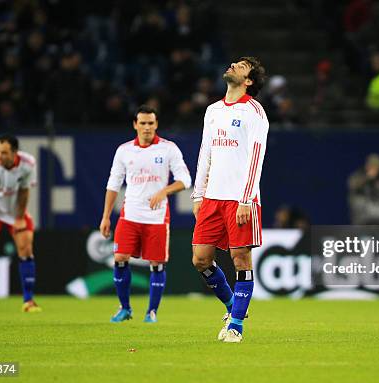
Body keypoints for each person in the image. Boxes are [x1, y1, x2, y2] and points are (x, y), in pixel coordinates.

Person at [191, 57, 268, 343]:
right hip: (211, 198)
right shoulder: (212, 111)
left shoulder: (254, 112)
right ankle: (232, 306)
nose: (234, 65)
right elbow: (205, 154)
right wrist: (199, 193)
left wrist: (246, 198)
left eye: (242, 65)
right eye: (234, 62)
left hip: (240, 199)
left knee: (240, 259)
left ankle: (236, 325)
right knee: (200, 259)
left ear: (249, 81)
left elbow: (256, 158)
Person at [100, 105, 191, 323]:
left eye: (151, 123)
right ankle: (125, 308)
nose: (147, 127)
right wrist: (105, 217)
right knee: (120, 258)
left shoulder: (169, 149)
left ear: (156, 124)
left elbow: (186, 180)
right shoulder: (124, 150)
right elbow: (113, 183)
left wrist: (164, 191)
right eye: (143, 123)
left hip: (157, 217)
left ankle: (152, 312)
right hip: (129, 214)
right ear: (135, 125)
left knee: (157, 263)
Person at [0, 134, 41, 313]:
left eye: (4, 153)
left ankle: (28, 301)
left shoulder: (28, 163)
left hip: (15, 209)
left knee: (26, 249)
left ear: (14, 153)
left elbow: (25, 192)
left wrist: (19, 218)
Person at [347, 153, 379, 225]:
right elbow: (352, 185)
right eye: (373, 166)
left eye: (378, 167)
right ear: (367, 166)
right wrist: (368, 178)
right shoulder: (359, 175)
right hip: (362, 220)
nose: (375, 169)